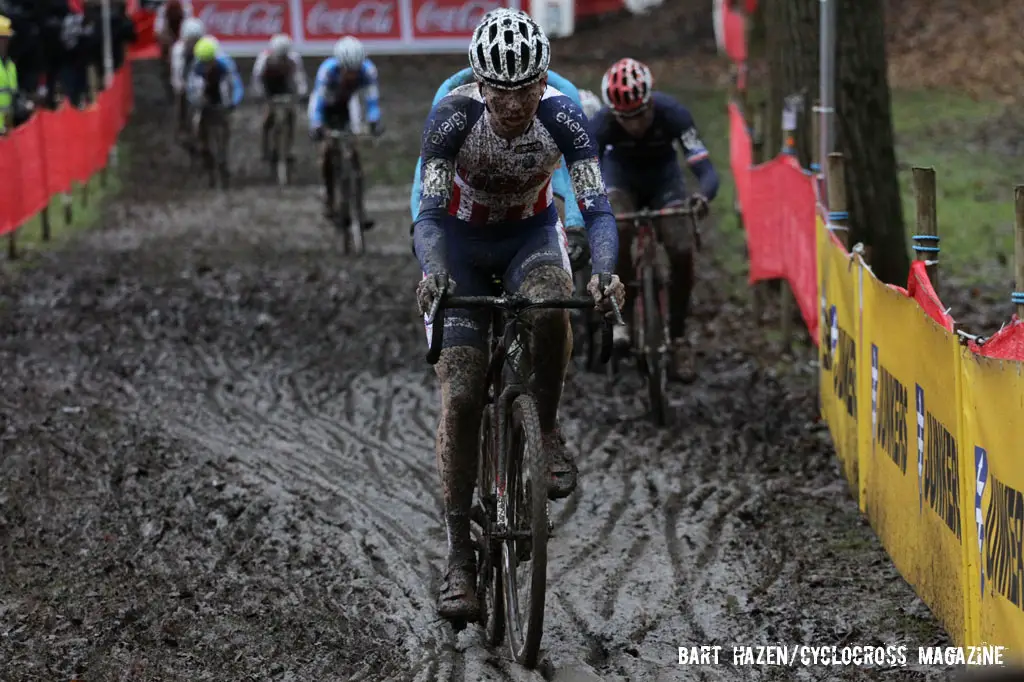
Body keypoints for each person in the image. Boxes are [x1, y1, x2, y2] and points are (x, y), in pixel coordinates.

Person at [412, 8, 624, 622]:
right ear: (481, 84)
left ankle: (548, 427)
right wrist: (434, 271)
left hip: (530, 233)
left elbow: (597, 208)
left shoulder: (563, 113)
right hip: (460, 241)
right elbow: (426, 214)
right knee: (461, 388)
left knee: (554, 299)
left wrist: (605, 272)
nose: (514, 104)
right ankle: (457, 556)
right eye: (502, 91)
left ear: (544, 80)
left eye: (527, 87)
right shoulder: (452, 114)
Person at [590, 57, 719, 383]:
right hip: (621, 179)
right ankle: (621, 318)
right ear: (614, 113)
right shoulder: (602, 124)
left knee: (680, 247)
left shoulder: (672, 113)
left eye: (641, 114)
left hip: (665, 182)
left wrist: (702, 196)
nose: (635, 125)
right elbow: (585, 174)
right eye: (626, 118)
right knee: (616, 230)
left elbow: (704, 167)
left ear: (651, 102)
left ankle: (677, 338)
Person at [409, 66, 589, 269]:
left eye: (524, 91)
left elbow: (573, 167)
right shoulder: (452, 89)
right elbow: (429, 163)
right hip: (472, 199)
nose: (513, 105)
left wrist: (575, 226)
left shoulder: (563, 90)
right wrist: (421, 222)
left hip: (542, 182)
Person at [307, 36, 383, 226]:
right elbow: (318, 103)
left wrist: (374, 121)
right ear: (340, 65)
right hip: (326, 108)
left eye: (355, 71)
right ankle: (329, 197)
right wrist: (317, 125)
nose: (351, 75)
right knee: (326, 151)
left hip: (348, 106)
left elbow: (372, 101)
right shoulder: (327, 71)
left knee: (354, 154)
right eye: (348, 71)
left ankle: (360, 208)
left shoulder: (368, 71)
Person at [186, 36, 243, 168]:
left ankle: (223, 151)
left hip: (221, 97)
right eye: (204, 63)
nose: (207, 67)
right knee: (196, 122)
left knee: (225, 122)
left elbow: (236, 85)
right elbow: (190, 89)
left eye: (210, 62)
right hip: (204, 98)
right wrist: (196, 101)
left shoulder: (226, 65)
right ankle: (202, 145)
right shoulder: (196, 67)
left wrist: (233, 102)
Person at [251, 33, 308, 164]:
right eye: (280, 56)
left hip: (285, 88)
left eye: (284, 56)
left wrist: (302, 93)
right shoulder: (264, 58)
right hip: (269, 88)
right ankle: (264, 149)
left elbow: (300, 77)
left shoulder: (294, 59)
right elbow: (257, 79)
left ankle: (289, 149)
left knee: (292, 116)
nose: (282, 59)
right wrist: (260, 95)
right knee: (267, 119)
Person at [170, 16, 203, 146]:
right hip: (184, 78)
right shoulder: (178, 50)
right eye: (191, 40)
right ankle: (181, 126)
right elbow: (177, 70)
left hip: (197, 78)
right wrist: (180, 87)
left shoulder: (204, 47)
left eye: (196, 40)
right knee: (181, 100)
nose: (193, 43)